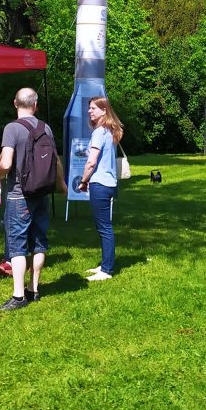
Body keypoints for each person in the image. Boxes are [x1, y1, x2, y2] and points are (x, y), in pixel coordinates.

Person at [0, 87, 66, 310]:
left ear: (15, 103)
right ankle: (33, 290)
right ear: (35, 105)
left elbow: (6, 163)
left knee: (17, 245)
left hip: (19, 194)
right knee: (39, 242)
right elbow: (56, 160)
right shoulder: (46, 128)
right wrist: (61, 184)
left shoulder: (12, 128)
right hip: (42, 192)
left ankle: (18, 297)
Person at [77, 96, 123, 281]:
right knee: (104, 226)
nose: (90, 111)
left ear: (104, 110)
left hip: (100, 184)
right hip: (109, 183)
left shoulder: (99, 132)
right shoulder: (109, 131)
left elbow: (91, 162)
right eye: (89, 108)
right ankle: (105, 264)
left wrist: (83, 181)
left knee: (104, 227)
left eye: (93, 108)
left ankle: (107, 270)